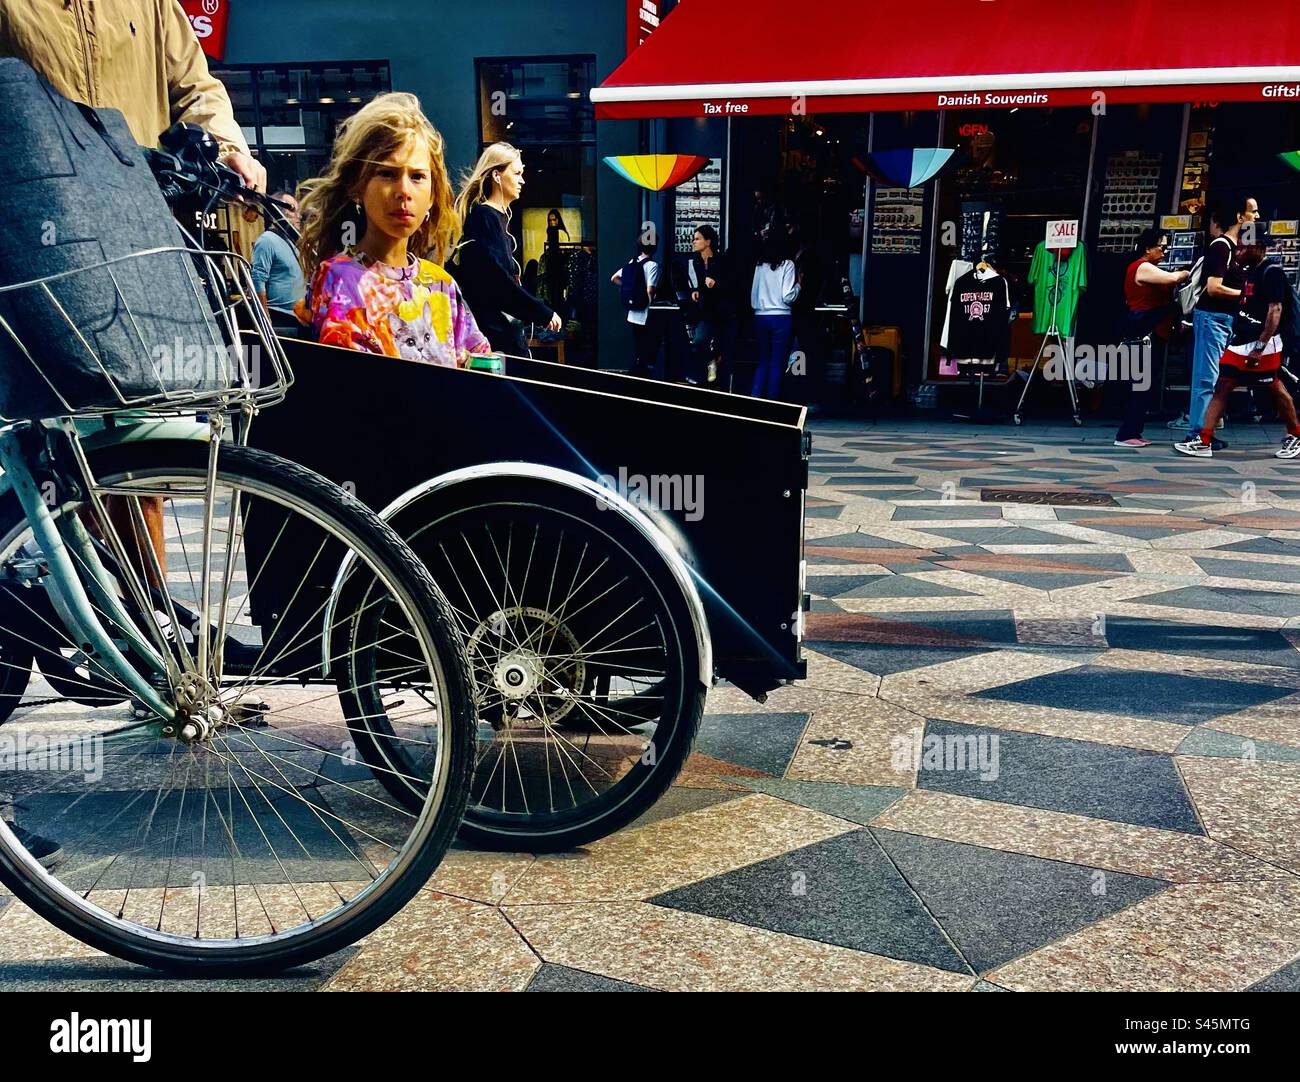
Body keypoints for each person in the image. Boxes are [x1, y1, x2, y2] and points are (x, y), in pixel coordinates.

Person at [0, 0, 265, 870]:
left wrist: (227, 145)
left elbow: (195, 88)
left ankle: (133, 636)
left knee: (132, 458)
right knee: (27, 484)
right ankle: (77, 618)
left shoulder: (146, 4)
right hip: (24, 250)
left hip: (124, 253)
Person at [295, 93, 490, 367]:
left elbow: (482, 363)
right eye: (387, 173)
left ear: (433, 194)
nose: (404, 191)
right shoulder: (338, 277)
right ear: (356, 186)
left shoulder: (441, 284)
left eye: (418, 176)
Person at [1174, 227, 1300, 460]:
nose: (1239, 251)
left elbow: (1276, 311)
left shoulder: (1271, 273)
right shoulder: (1248, 271)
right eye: (1238, 246)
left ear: (1259, 247)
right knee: (1222, 385)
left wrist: (1261, 346)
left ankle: (1295, 434)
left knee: (1273, 386)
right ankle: (1203, 440)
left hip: (1263, 341)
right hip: (1241, 340)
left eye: (1244, 247)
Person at [450, 143, 562, 356]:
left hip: (499, 333)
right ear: (497, 176)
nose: (522, 180)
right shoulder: (486, 218)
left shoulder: (493, 218)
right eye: (517, 172)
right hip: (493, 337)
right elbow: (498, 283)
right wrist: (542, 313)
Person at [1114, 228, 1189, 446]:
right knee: (1140, 383)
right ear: (1148, 248)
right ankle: (1126, 434)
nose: (1164, 251)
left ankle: (1133, 431)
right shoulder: (1142, 267)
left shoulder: (1149, 268)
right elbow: (1173, 278)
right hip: (1142, 334)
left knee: (1145, 384)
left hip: (1154, 333)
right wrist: (1186, 273)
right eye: (1161, 246)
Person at [1184, 204, 1245, 448]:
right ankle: (1198, 432)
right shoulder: (1220, 246)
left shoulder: (1231, 248)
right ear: (1238, 218)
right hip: (1212, 318)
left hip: (1222, 319)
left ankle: (1205, 430)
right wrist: (1244, 295)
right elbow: (1213, 287)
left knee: (1216, 377)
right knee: (1206, 377)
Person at [750, 233, 800, 399]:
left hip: (760, 315)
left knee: (763, 361)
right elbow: (787, 296)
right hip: (781, 316)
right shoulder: (788, 265)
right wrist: (799, 286)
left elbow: (754, 294)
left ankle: (755, 398)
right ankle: (772, 401)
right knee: (777, 362)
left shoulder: (760, 265)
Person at [687, 225, 737, 388]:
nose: (694, 242)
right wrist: (696, 291)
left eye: (697, 239)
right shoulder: (696, 262)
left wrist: (716, 284)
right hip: (707, 312)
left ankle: (719, 383)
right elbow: (699, 284)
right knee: (699, 341)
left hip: (723, 313)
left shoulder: (722, 261)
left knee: (723, 349)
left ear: (708, 242)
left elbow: (732, 286)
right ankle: (710, 367)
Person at [251, 191, 306, 330]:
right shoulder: (267, 240)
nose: (298, 216)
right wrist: (265, 318)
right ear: (278, 213)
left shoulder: (293, 242)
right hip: (279, 319)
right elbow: (257, 280)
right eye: (292, 210)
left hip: (299, 318)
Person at [611, 235, 660, 377]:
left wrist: (627, 286)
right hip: (645, 313)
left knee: (637, 346)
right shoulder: (652, 265)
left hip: (632, 313)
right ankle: (643, 374)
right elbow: (650, 289)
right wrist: (652, 305)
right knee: (647, 347)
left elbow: (614, 278)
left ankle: (636, 372)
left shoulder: (632, 262)